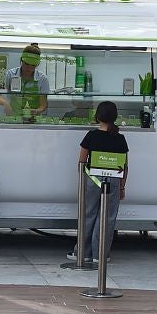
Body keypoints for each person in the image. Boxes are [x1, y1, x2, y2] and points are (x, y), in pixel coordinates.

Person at [68, 102, 128, 269]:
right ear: (115, 117)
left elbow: (81, 161)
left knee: (88, 214)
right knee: (107, 217)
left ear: (98, 116)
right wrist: (122, 187)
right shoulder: (120, 138)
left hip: (93, 179)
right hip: (113, 180)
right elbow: (124, 166)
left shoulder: (91, 136)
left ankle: (83, 252)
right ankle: (100, 254)